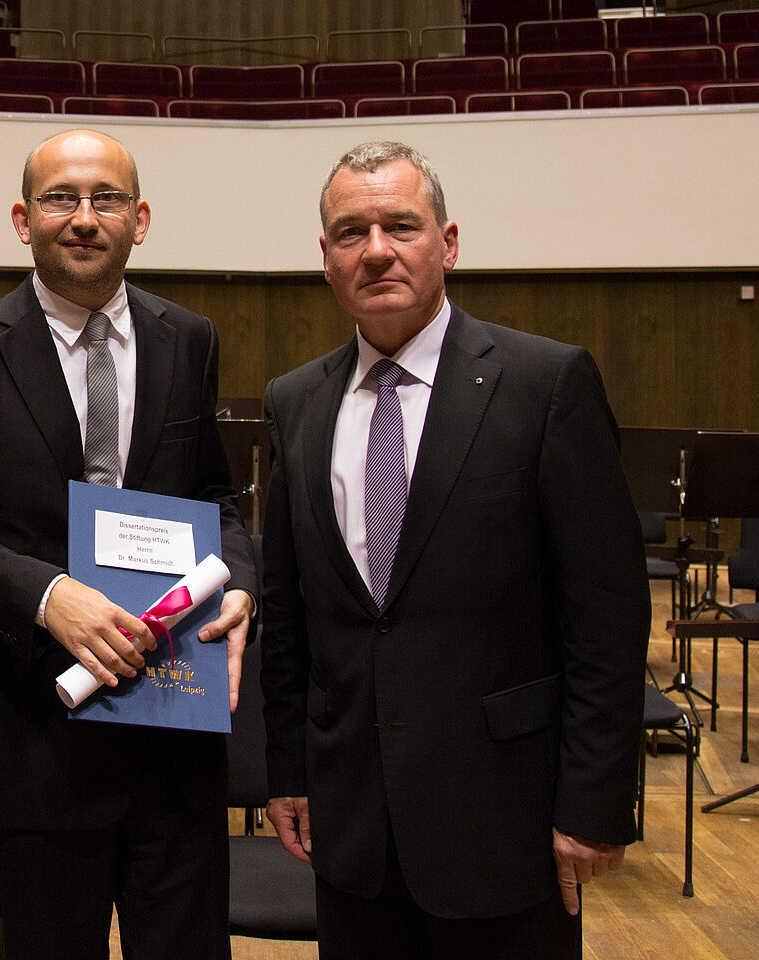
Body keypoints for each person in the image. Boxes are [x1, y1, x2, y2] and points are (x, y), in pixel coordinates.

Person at [260, 140, 649, 959]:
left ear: (449, 243)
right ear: (324, 257)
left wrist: (595, 803)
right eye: (348, 232)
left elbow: (607, 620)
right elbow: (291, 620)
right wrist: (289, 772)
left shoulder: (546, 385)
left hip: (505, 823)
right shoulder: (295, 403)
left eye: (401, 226)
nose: (376, 251)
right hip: (354, 829)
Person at [0, 128, 257, 960]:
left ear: (142, 218)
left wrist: (238, 581)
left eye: (107, 198)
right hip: (34, 746)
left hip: (175, 742)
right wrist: (48, 598)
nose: (84, 218)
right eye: (61, 198)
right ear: (24, 220)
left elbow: (216, 499)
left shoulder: (188, 339)